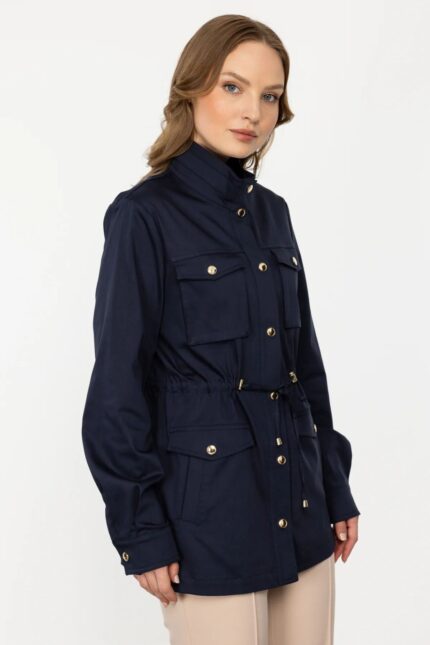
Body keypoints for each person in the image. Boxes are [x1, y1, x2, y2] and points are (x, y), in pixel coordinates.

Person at [81, 14, 360, 645]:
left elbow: (305, 367)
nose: (253, 112)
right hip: (209, 520)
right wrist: (141, 531)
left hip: (302, 506)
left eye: (270, 96)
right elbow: (116, 387)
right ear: (192, 88)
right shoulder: (142, 217)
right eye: (233, 87)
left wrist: (334, 485)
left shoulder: (274, 214)